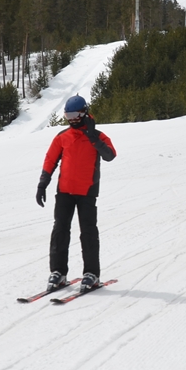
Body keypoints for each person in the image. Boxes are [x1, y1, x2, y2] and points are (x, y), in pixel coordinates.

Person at [36, 95, 117, 291]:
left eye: (74, 115)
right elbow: (50, 160)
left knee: (88, 233)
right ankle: (58, 273)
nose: (71, 119)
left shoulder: (98, 137)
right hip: (64, 192)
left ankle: (91, 274)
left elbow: (110, 155)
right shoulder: (62, 137)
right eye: (67, 115)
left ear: (84, 113)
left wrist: (92, 138)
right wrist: (42, 183)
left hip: (87, 192)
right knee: (60, 231)